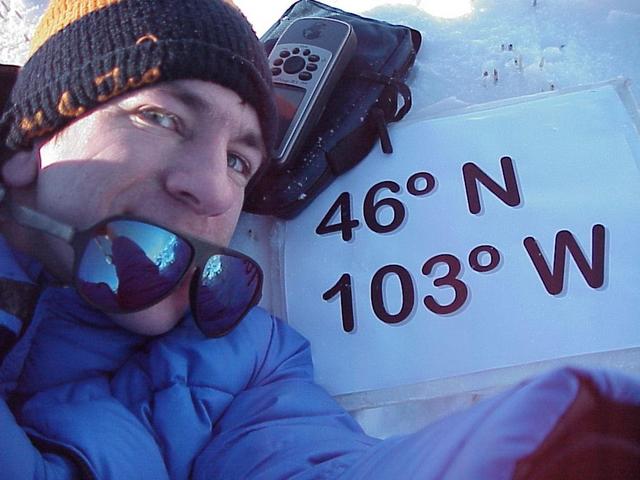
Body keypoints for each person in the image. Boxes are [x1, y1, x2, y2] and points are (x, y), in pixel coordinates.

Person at [0, 1, 638, 479]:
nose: (215, 190)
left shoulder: (246, 358)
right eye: (161, 117)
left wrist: (531, 448)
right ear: (29, 142)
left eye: (239, 161)